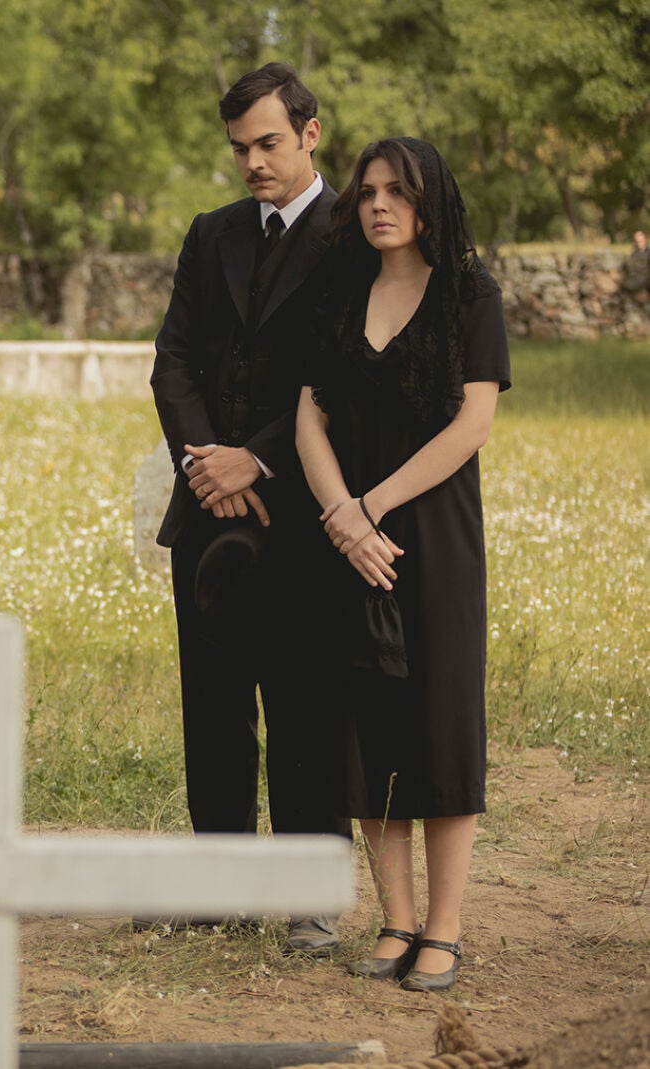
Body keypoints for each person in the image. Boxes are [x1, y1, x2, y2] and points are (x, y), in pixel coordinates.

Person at [296, 137, 509, 992]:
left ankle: (445, 929)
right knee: (369, 726)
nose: (380, 203)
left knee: (441, 724)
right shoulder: (340, 292)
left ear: (430, 200)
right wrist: (341, 516)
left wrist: (374, 506)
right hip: (350, 537)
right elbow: (308, 417)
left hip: (435, 539)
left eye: (399, 191)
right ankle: (394, 919)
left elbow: (473, 425)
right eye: (370, 190)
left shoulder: (470, 293)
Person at [149, 62, 351, 953]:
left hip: (301, 508)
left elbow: (345, 375)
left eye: (268, 143)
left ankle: (310, 893)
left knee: (307, 699)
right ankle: (219, 882)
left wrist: (257, 461)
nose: (252, 163)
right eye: (239, 148)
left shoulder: (357, 235)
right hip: (205, 507)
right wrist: (205, 465)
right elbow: (173, 362)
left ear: (311, 133)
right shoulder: (212, 233)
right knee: (215, 700)